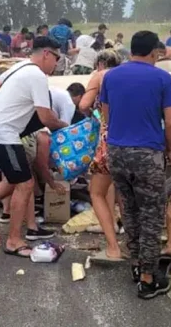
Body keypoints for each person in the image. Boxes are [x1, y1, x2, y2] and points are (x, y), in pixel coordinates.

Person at [102, 30, 171, 299]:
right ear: (155, 52)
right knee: (151, 215)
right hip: (147, 154)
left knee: (130, 210)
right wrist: (170, 149)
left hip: (117, 153)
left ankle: (136, 264)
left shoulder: (110, 76)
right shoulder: (163, 79)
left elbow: (106, 116)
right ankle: (148, 279)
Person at [0, 36, 68, 257]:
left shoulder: (21, 65)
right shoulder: (36, 75)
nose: (56, 64)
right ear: (46, 54)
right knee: (25, 184)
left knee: (15, 178)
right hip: (4, 134)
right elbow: (46, 117)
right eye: (56, 58)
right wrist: (64, 126)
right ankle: (14, 240)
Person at [78, 53, 124, 262]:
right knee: (125, 190)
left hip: (108, 138)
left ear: (100, 63)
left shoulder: (100, 75)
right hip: (133, 139)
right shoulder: (126, 75)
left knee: (97, 191)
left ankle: (113, 247)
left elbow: (83, 105)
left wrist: (98, 116)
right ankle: (132, 242)